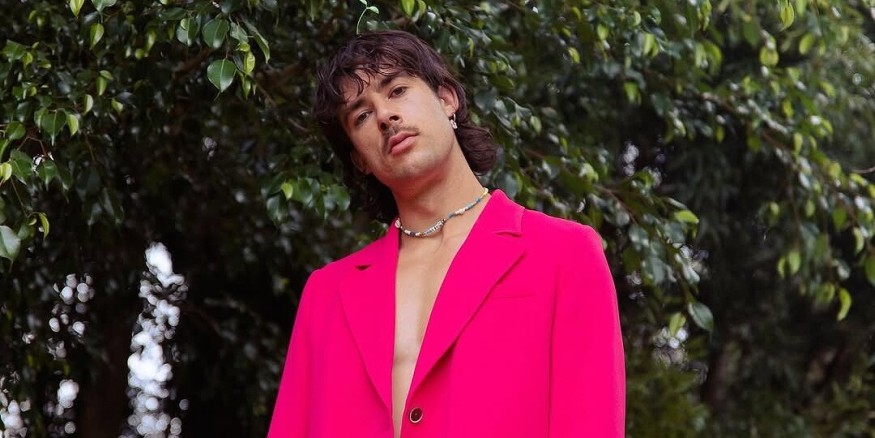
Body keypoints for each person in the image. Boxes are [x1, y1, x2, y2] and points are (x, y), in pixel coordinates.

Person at [268, 30, 625, 438]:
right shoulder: (326, 293)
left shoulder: (564, 252)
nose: (385, 116)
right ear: (359, 160)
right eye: (361, 116)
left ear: (447, 99)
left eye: (397, 90)